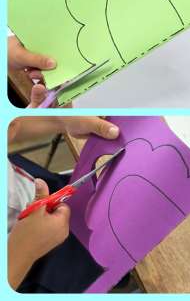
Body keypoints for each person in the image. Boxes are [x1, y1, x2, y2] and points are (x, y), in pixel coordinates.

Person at [8, 109, 120, 291]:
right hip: (25, 269)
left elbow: (13, 126)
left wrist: (59, 120)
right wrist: (24, 251)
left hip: (32, 188)